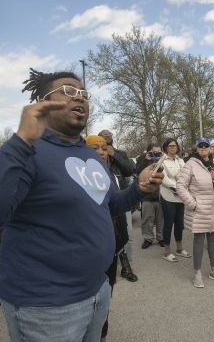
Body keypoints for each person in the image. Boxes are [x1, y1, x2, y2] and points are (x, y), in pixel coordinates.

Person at [0, 68, 163, 341]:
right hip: (46, 306)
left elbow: (108, 205)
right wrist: (21, 141)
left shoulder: (89, 156)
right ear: (42, 103)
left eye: (84, 94)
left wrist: (138, 189)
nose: (79, 97)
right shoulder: (24, 152)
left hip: (97, 289)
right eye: (67, 91)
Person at [84, 135, 130, 342]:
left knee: (106, 295)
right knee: (88, 298)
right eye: (95, 148)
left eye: (104, 148)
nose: (101, 152)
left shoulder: (111, 173)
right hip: (89, 247)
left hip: (112, 243)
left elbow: (118, 206)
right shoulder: (78, 175)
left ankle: (102, 335)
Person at [176, 137, 214, 288]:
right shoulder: (191, 165)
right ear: (197, 148)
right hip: (200, 209)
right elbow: (180, 186)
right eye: (201, 146)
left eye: (207, 145)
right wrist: (192, 203)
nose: (205, 148)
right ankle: (197, 273)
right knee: (199, 241)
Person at [97, 129, 137, 281]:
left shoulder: (120, 153)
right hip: (102, 200)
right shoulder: (95, 153)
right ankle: (105, 265)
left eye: (109, 137)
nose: (107, 138)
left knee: (127, 233)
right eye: (103, 137)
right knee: (108, 233)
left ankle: (127, 266)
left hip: (120, 197)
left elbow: (130, 170)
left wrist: (114, 154)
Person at [159, 138, 189, 262]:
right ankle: (167, 251)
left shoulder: (181, 160)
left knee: (179, 223)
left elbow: (186, 175)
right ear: (166, 148)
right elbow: (164, 179)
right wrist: (179, 187)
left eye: (174, 145)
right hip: (168, 196)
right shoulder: (162, 161)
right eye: (170, 146)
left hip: (180, 197)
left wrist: (182, 187)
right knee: (168, 223)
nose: (173, 147)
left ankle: (179, 248)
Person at [137, 143, 167, 251]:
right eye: (154, 152)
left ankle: (161, 237)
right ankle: (148, 239)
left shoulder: (164, 161)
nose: (156, 155)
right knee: (147, 219)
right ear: (149, 152)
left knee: (161, 219)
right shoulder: (143, 160)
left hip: (162, 195)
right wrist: (146, 160)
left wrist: (162, 158)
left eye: (159, 152)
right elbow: (136, 172)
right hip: (147, 196)